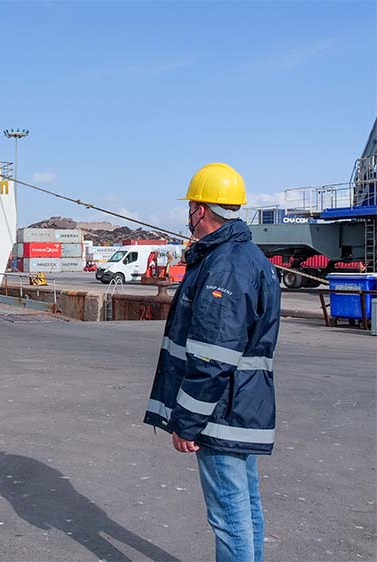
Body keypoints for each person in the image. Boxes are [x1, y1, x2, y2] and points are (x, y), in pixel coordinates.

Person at [143, 162, 281, 562]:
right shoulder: (247, 257)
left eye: (190, 206)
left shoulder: (224, 264)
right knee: (245, 505)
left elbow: (213, 355)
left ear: (200, 210)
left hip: (221, 411)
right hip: (242, 405)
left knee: (229, 514)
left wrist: (188, 422)